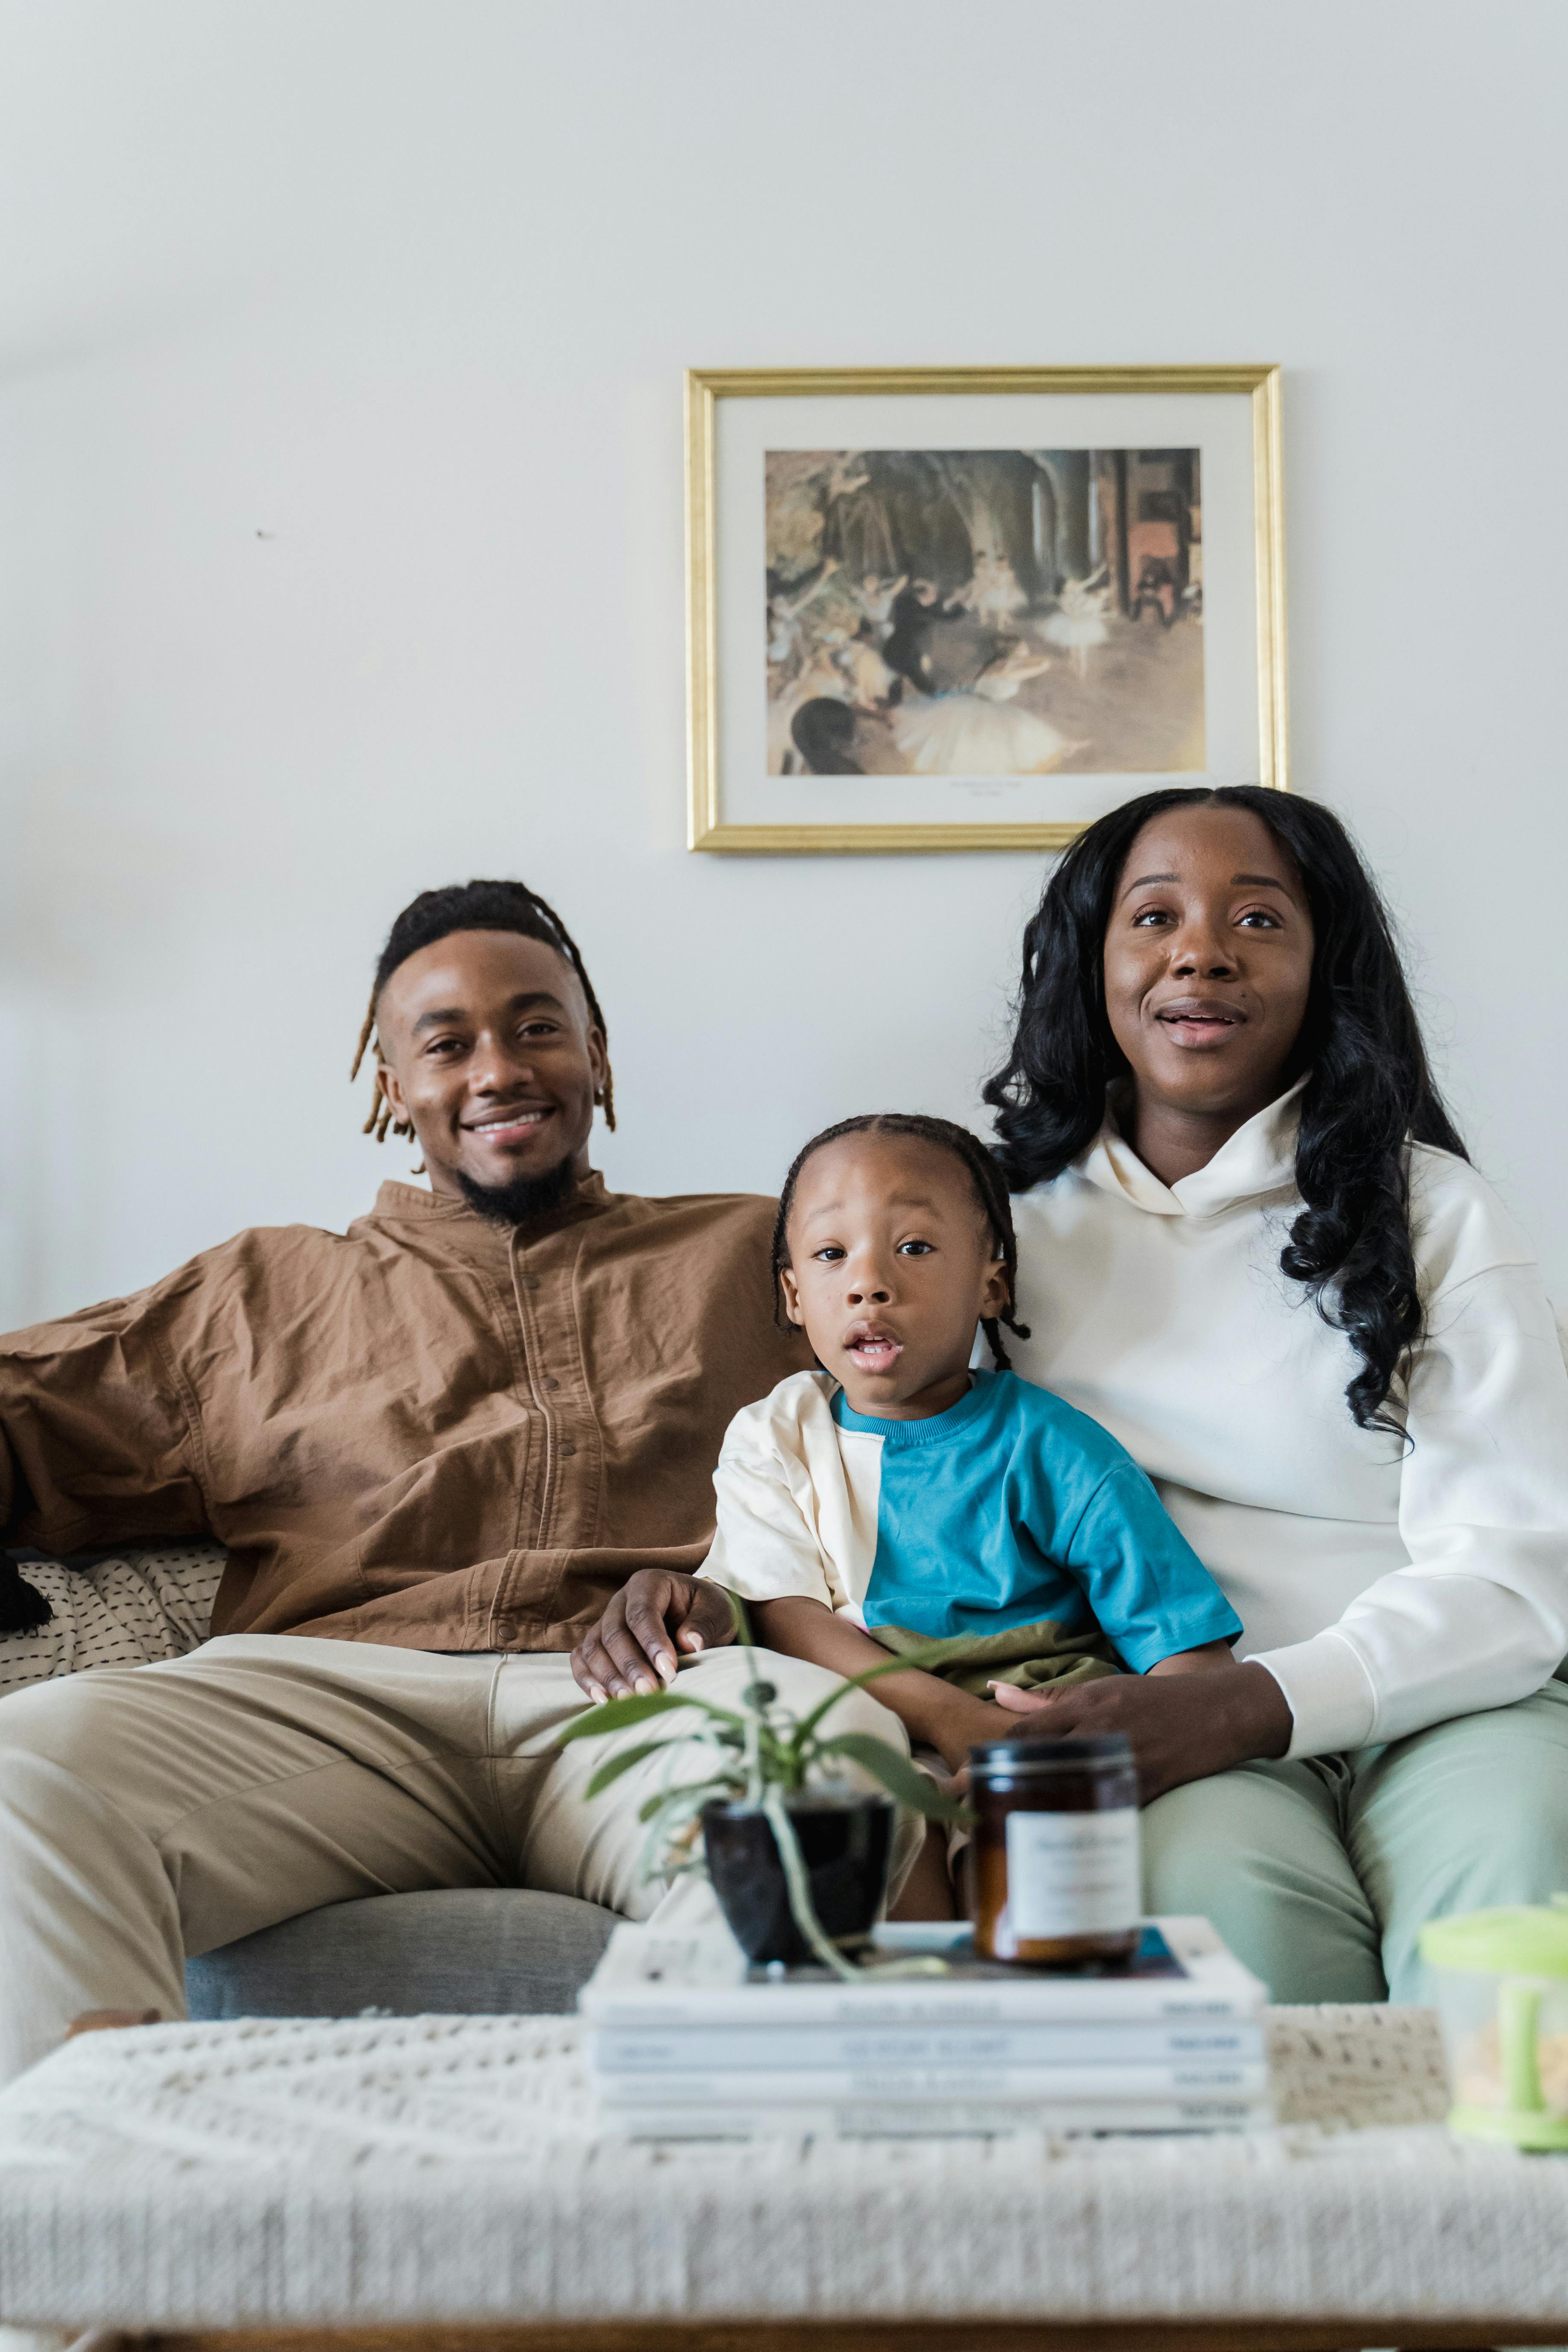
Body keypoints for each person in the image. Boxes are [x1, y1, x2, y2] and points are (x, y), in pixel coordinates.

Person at [0, 878, 920, 2084]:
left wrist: (737, 1606)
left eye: (537, 1026)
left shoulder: (768, 1258)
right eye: (447, 1042)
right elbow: (35, 1417)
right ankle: (114, 2218)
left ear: (597, 1055)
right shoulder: (257, 1293)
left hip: (652, 1699)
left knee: (833, 1763)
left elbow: (942, 1429)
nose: (497, 1068)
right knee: (27, 1772)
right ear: (391, 1085)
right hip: (328, 1710)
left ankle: (697, 2199)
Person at [973, 785, 1568, 2001]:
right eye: (1155, 917)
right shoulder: (992, 1234)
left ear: (1323, 969)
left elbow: (1517, 1576)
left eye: (1258, 919)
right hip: (1169, 1712)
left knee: (1507, 1913)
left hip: (1457, 1706)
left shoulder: (1434, 1209)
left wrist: (1260, 1702)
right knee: (1231, 1926)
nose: (1201, 949)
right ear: (1093, 961)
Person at [694, 1111, 1242, 1916]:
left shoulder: (1053, 1446)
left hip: (1038, 1735)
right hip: (879, 1730)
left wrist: (1118, 1755)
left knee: (1027, 1905)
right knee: (880, 1881)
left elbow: (1190, 1661)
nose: (868, 1282)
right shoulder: (775, 1435)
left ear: (993, 1280)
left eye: (913, 1247)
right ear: (793, 1294)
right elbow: (785, 1614)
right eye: (830, 1254)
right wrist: (951, 1721)